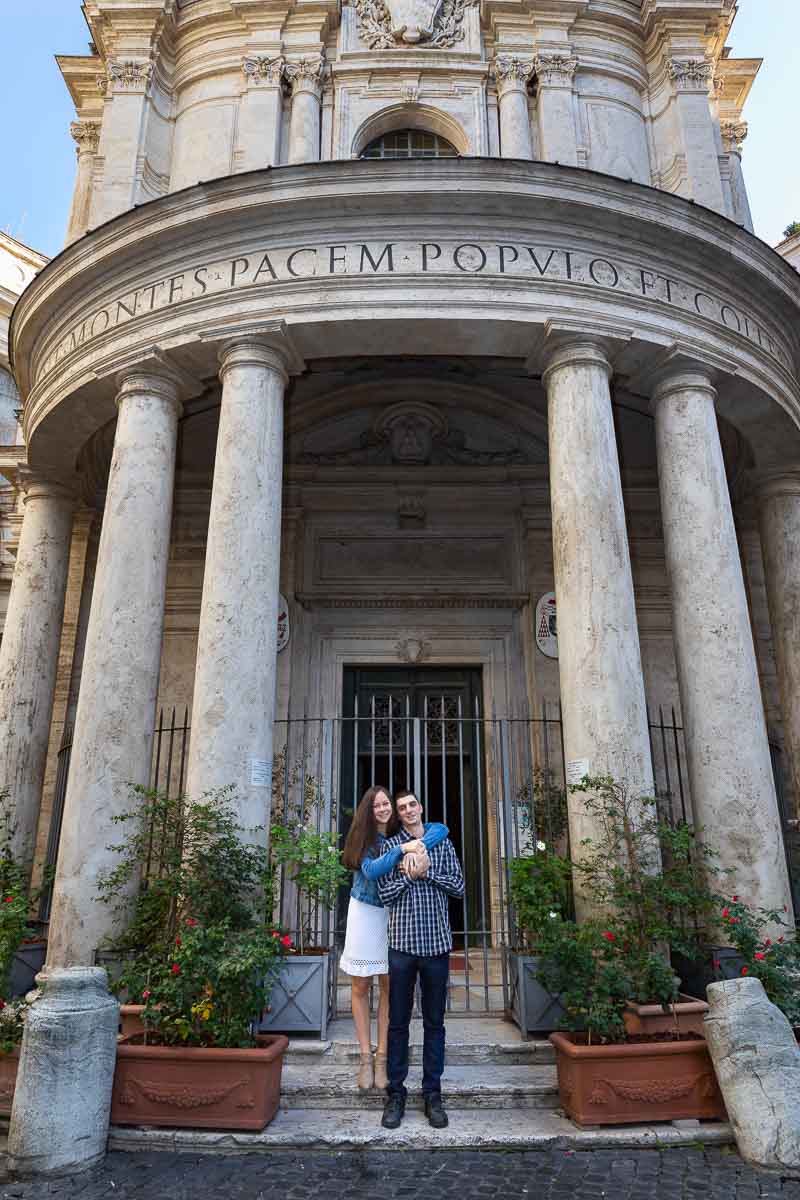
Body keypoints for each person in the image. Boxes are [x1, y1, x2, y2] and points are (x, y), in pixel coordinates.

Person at [340, 785, 449, 1091]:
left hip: (393, 914)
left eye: (387, 804)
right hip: (365, 913)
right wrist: (404, 850)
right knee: (361, 985)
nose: (384, 809)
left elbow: (441, 828)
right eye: (377, 805)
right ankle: (365, 1057)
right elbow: (373, 871)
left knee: (390, 986)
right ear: (367, 810)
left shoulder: (398, 831)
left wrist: (416, 843)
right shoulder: (367, 839)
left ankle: (383, 1056)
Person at [376, 789, 465, 1130]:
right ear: (397, 815)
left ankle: (432, 1094)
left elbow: (458, 886)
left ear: (421, 807)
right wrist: (406, 874)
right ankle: (395, 1094)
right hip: (401, 947)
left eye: (413, 804)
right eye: (402, 808)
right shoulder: (390, 847)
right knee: (398, 1024)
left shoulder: (441, 842)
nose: (408, 810)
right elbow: (384, 894)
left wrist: (427, 873)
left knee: (434, 1024)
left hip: (437, 947)